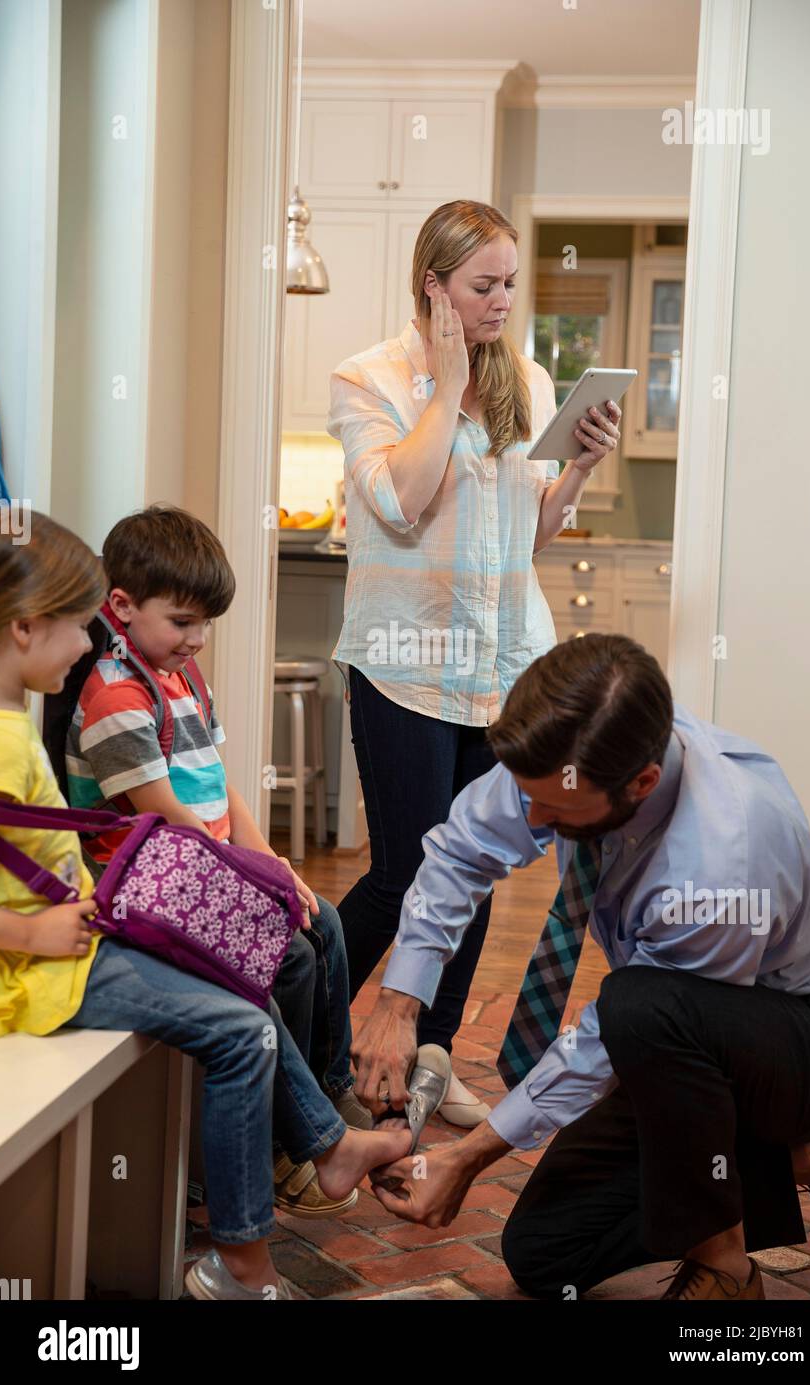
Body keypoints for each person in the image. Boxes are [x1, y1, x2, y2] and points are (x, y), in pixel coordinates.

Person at [352, 633, 810, 1301]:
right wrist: (399, 1003)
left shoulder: (722, 861)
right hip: (689, 1039)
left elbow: (608, 1044)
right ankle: (789, 1154)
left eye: (555, 808)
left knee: (638, 1008)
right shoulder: (569, 752)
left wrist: (468, 1158)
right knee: (544, 1252)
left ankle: (732, 1262)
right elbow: (461, 851)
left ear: (642, 783)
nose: (532, 817)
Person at [0, 511, 411, 1301]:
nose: (86, 649)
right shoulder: (1, 740)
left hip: (72, 945)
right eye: (75, 629)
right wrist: (33, 932)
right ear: (21, 629)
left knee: (251, 1000)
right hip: (30, 973)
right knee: (244, 1027)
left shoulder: (9, 728)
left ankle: (321, 1148)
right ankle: (243, 1259)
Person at [328, 199, 620, 1127]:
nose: (502, 302)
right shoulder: (366, 377)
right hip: (405, 661)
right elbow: (401, 501)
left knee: (478, 866)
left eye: (508, 284)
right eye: (483, 285)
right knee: (403, 870)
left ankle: (431, 1058)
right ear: (435, 286)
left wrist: (574, 470)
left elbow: (521, 537)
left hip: (502, 665)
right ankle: (293, 1020)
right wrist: (446, 387)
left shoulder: (526, 377)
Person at [64, 504, 372, 1219]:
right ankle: (286, 1147)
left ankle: (327, 1093)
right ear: (122, 607)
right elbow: (168, 815)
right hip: (148, 885)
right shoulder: (114, 694)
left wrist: (276, 866)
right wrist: (255, 886)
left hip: (201, 867)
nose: (196, 640)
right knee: (285, 958)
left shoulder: (183, 678)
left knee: (322, 920)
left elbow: (219, 787)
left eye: (205, 625)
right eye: (182, 623)